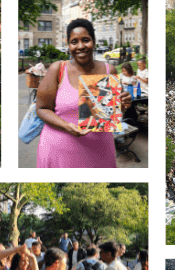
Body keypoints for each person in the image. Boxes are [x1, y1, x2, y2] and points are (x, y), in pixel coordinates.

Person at [35, 18, 130, 168]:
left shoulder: (108, 71)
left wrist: (123, 105)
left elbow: (111, 114)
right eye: (74, 42)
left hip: (99, 152)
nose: (80, 46)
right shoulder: (58, 69)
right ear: (68, 45)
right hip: (59, 152)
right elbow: (41, 108)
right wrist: (67, 126)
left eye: (85, 40)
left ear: (94, 41)